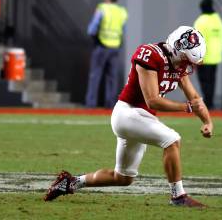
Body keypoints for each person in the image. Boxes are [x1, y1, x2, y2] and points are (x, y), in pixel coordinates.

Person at [45, 26, 212, 208]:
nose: (188, 65)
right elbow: (153, 101)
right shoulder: (150, 54)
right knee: (172, 140)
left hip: (141, 119)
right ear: (176, 50)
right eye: (187, 60)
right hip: (127, 113)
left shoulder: (178, 65)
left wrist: (207, 121)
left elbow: (195, 98)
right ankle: (178, 196)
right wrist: (186, 108)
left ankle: (70, 182)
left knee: (123, 178)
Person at [84, 0, 128, 108]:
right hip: (115, 47)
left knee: (95, 76)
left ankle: (91, 104)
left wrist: (95, 38)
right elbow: (124, 30)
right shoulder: (122, 11)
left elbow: (92, 29)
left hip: (102, 46)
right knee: (112, 78)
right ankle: (110, 105)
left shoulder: (102, 8)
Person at [193, 0, 222, 110]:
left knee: (204, 81)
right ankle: (210, 102)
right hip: (215, 57)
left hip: (204, 56)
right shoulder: (217, 20)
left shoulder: (201, 21)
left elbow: (197, 41)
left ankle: (207, 102)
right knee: (211, 80)